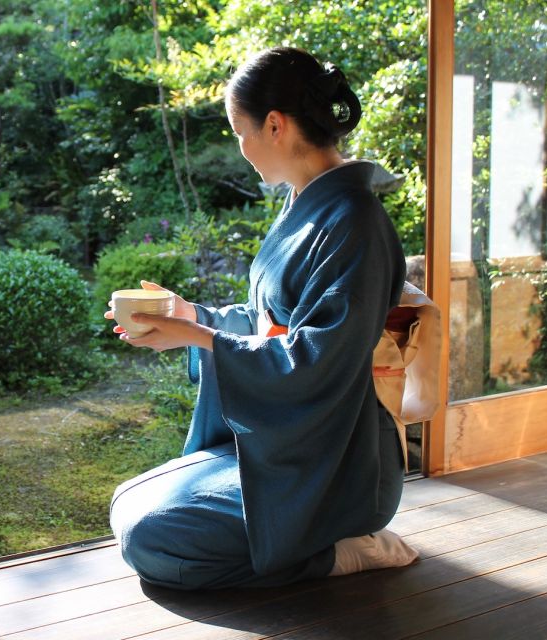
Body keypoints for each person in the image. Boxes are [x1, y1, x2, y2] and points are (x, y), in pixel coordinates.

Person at [105, 47, 419, 590]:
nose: (241, 148)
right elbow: (264, 320)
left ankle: (341, 552)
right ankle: (309, 541)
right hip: (295, 442)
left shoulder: (355, 222)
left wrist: (200, 338)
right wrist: (190, 316)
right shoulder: (306, 204)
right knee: (127, 503)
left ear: (275, 125)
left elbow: (319, 359)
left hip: (339, 460)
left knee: (152, 536)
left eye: (239, 131)